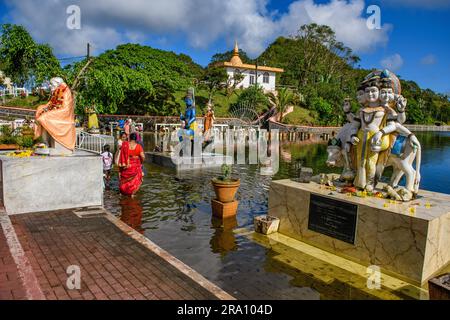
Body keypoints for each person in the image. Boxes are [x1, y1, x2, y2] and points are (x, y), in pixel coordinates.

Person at [118, 132, 145, 196]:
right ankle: (132, 193)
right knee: (135, 180)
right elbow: (143, 156)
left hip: (126, 166)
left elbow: (121, 153)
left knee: (125, 180)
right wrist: (141, 162)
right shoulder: (138, 146)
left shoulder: (125, 145)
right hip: (135, 166)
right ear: (136, 139)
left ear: (129, 138)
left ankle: (123, 192)